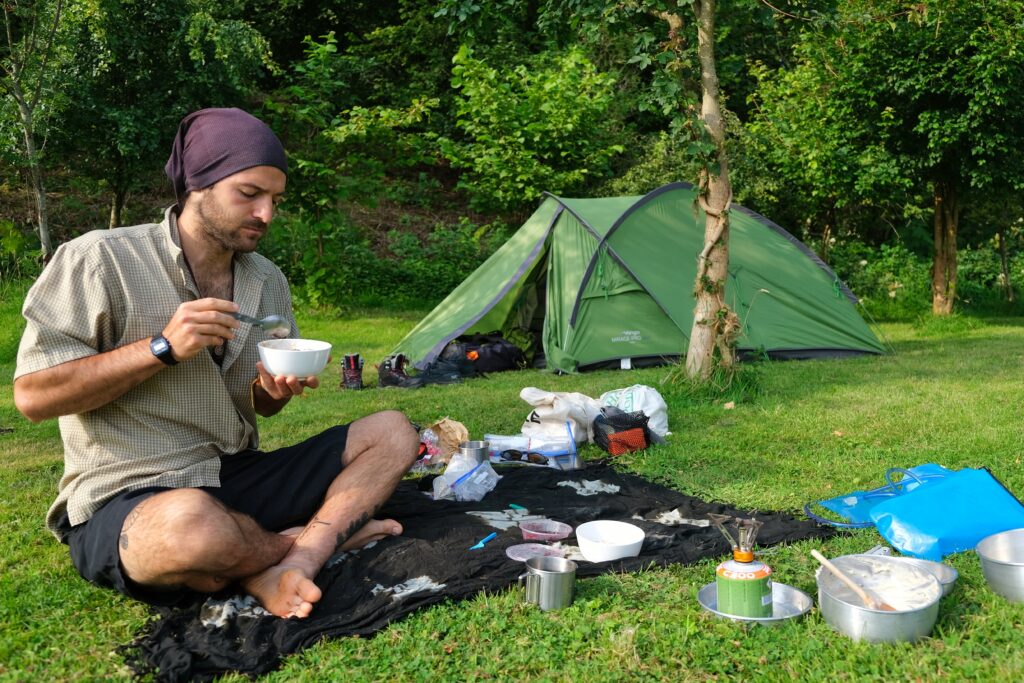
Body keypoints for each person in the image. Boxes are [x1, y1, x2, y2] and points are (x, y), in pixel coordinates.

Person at [12, 108, 419, 619]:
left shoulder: (266, 279)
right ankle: (308, 540)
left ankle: (298, 556)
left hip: (235, 475)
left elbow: (260, 408)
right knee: (191, 529)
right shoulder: (99, 260)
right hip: (132, 493)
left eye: (275, 200)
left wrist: (273, 391)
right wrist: (160, 347)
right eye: (249, 194)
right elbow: (33, 398)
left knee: (394, 432)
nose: (266, 214)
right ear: (196, 186)